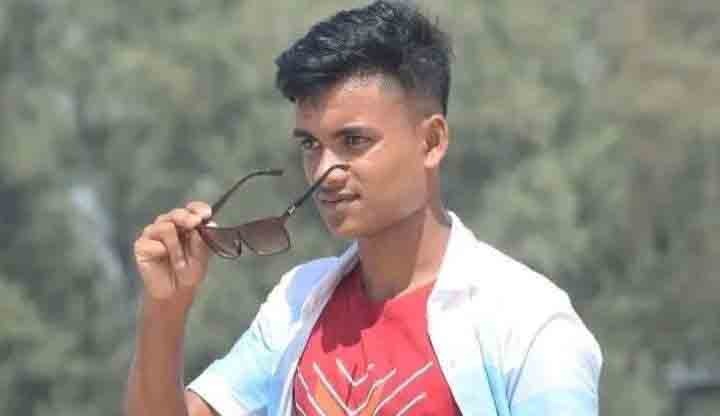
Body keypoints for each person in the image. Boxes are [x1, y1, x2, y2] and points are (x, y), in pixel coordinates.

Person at [124, 1, 603, 415]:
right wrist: (165, 308)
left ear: (431, 141)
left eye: (353, 142)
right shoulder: (297, 305)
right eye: (310, 145)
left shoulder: (526, 322)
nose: (324, 171)